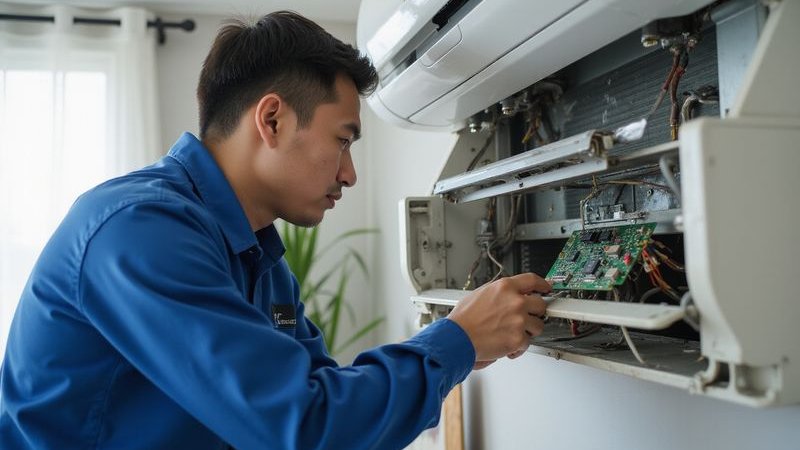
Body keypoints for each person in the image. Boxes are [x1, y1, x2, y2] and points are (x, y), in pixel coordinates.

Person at [0, 11, 549, 449]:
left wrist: (465, 346)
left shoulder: (264, 265)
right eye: (343, 139)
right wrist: (454, 341)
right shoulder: (140, 230)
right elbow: (304, 430)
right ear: (272, 120)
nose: (349, 174)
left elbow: (320, 399)